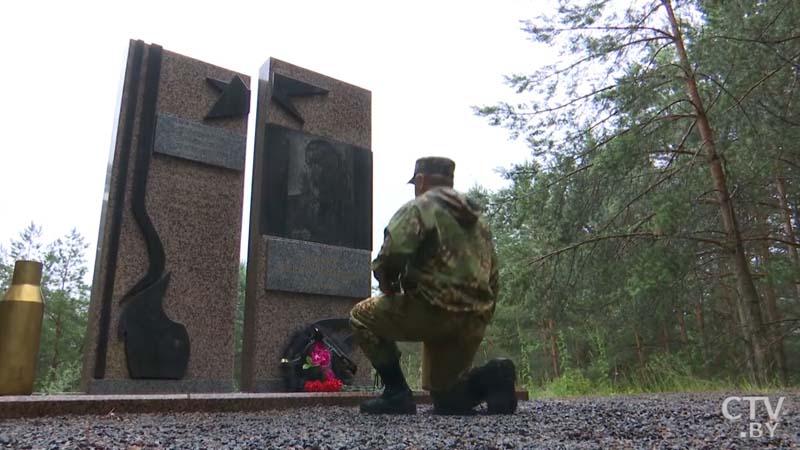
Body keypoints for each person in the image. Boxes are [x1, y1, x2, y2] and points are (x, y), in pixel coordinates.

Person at [350, 156, 517, 415]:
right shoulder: (479, 221)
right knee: (448, 399)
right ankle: (494, 376)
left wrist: (387, 282)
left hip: (434, 311)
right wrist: (482, 314)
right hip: (473, 319)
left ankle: (396, 394)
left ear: (421, 180)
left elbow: (391, 254)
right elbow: (493, 276)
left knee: (360, 316)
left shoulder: (420, 208)